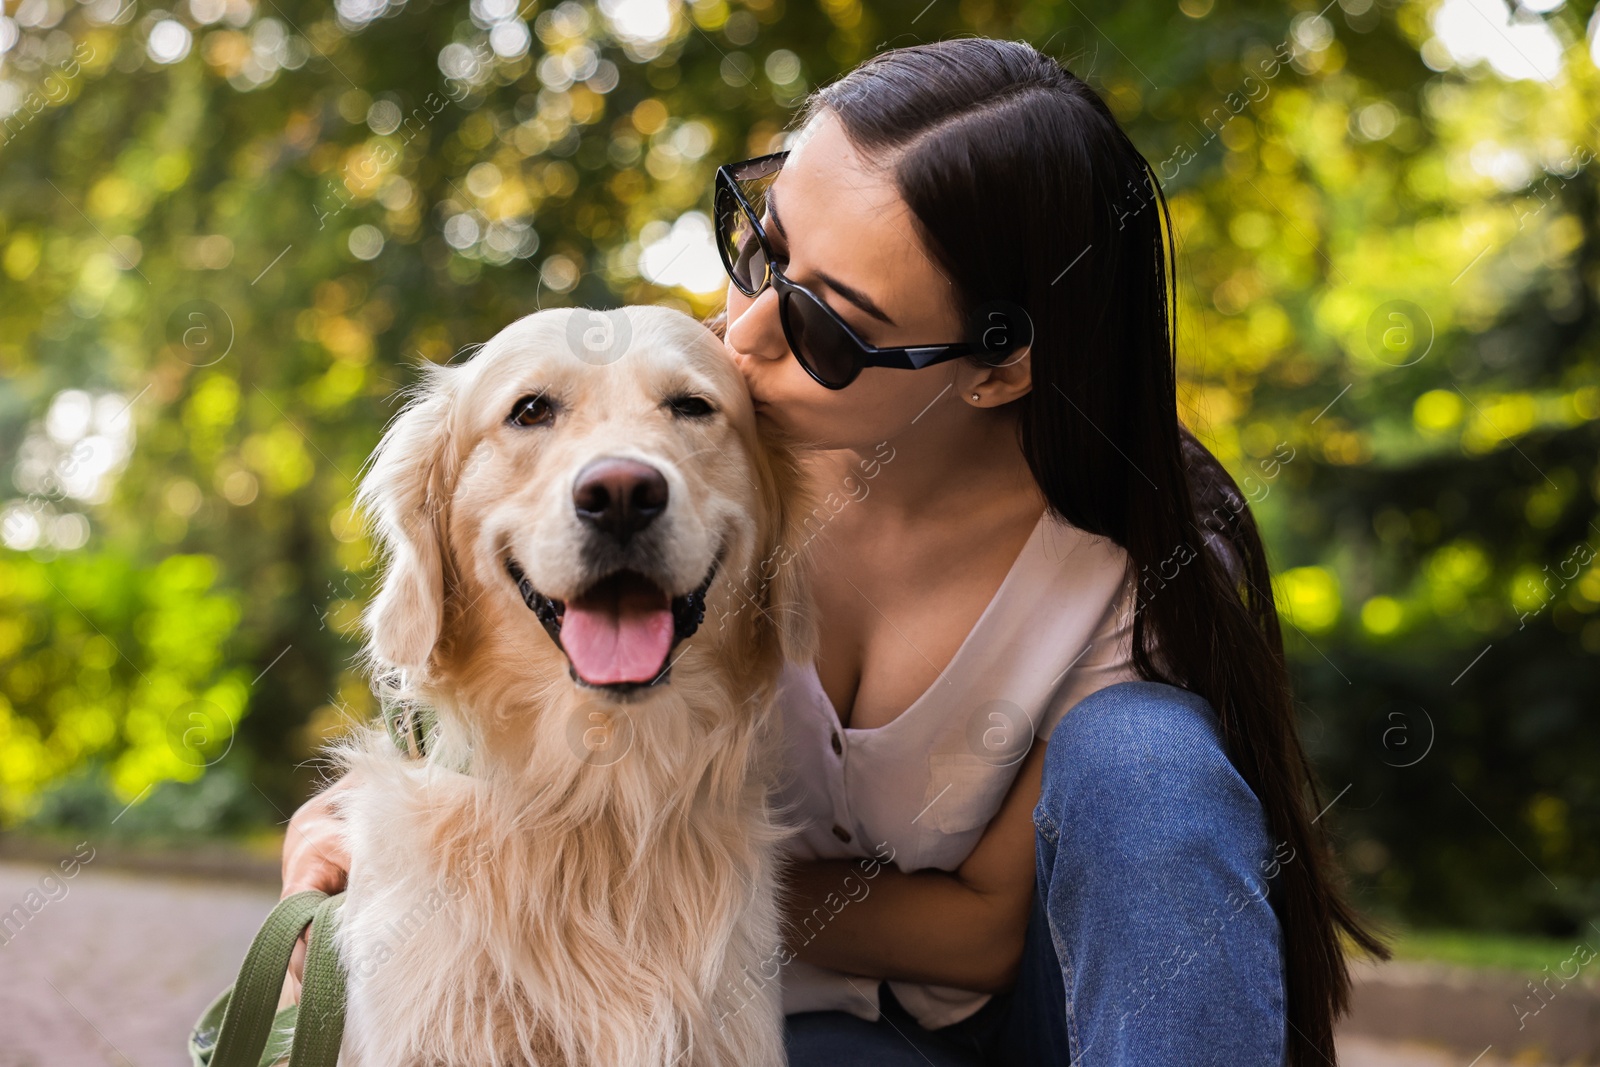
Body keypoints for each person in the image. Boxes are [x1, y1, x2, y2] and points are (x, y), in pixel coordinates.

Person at [280, 37, 1389, 1066]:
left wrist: (661, 865)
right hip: (784, 1024)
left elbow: (985, 932)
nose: (745, 332)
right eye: (760, 250)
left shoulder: (1120, 566)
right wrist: (390, 835)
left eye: (828, 323)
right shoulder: (693, 446)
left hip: (1036, 1021)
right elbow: (490, 692)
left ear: (999, 367)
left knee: (1147, 753)